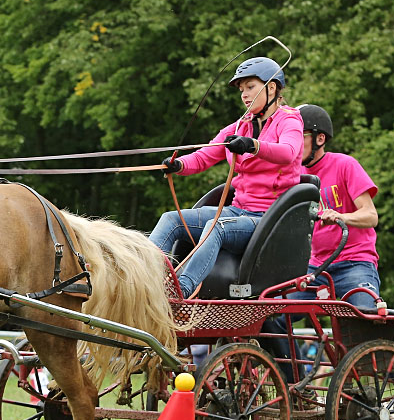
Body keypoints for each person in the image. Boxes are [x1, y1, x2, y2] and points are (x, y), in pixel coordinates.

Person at [149, 57, 303, 298]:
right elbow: (203, 156)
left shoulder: (290, 120)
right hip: (237, 211)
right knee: (171, 219)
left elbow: (289, 152)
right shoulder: (240, 127)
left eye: (250, 87)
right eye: (242, 90)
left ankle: (179, 291)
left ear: (271, 87)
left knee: (215, 227)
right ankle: (145, 281)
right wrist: (178, 165)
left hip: (268, 219)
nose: (244, 95)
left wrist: (253, 145)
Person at [295, 104, 381, 309]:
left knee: (364, 316)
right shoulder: (293, 176)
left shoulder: (345, 165)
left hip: (354, 262)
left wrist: (342, 217)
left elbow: (371, 216)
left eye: (300, 136)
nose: (294, 143)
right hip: (316, 267)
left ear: (320, 139)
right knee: (274, 314)